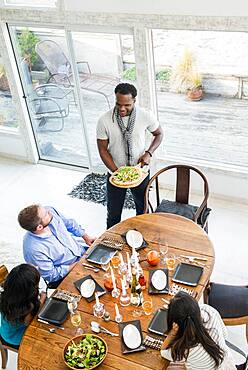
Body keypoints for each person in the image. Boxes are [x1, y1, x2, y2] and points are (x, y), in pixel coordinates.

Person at [97, 83, 163, 228]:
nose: (121, 108)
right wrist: (117, 173)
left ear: (134, 100)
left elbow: (159, 134)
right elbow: (102, 149)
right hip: (115, 174)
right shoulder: (104, 120)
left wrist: (149, 153)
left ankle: (141, 239)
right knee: (113, 214)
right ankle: (110, 244)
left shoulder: (145, 115)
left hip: (140, 172)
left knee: (142, 210)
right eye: (118, 104)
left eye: (126, 105)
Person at [18, 204, 95, 288]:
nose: (49, 211)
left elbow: (69, 223)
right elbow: (51, 275)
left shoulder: (50, 212)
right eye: (46, 214)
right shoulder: (33, 250)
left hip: (82, 253)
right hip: (66, 274)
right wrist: (78, 264)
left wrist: (86, 237)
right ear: (39, 227)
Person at [160, 292, 236, 369]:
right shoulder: (208, 310)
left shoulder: (184, 349)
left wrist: (172, 332)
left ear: (176, 324)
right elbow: (225, 335)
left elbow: (163, 352)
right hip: (226, 363)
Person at [0, 264, 46, 348]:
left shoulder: (6, 295)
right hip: (15, 338)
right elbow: (30, 322)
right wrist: (43, 299)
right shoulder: (28, 307)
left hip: (5, 332)